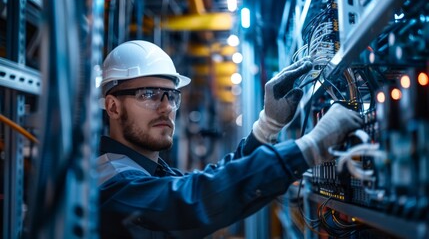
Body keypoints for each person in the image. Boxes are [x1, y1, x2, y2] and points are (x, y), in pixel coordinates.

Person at [97, 40, 363, 239]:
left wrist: (267, 126)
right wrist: (309, 147)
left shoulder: (150, 172)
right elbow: (193, 200)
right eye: (148, 94)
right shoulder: (109, 180)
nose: (166, 107)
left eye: (171, 95)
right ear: (113, 107)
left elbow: (214, 181)